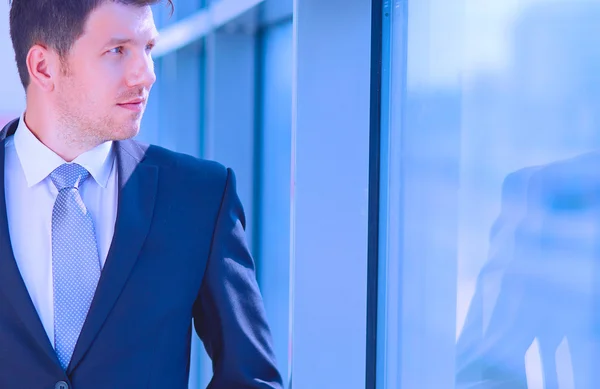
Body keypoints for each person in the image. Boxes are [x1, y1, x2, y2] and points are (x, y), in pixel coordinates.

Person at [0, 0, 283, 388]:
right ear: (44, 67)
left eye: (147, 48)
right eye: (117, 50)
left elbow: (251, 378)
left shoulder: (198, 197)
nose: (146, 74)